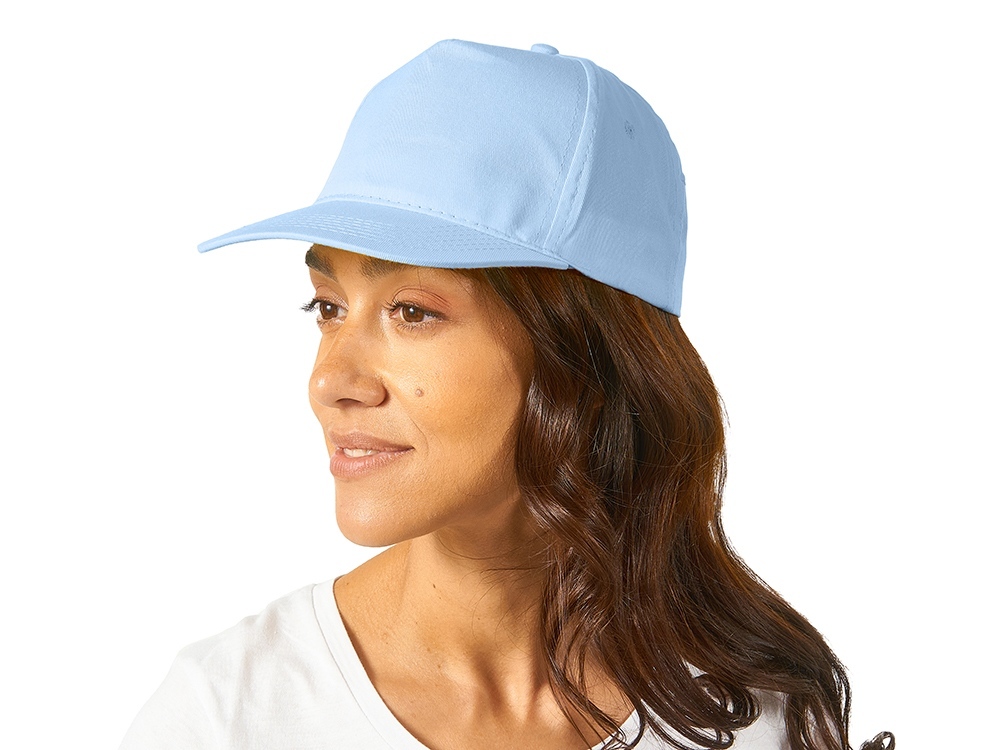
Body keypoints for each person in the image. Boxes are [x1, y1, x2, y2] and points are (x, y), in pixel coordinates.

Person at [119, 40, 893, 750]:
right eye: (328, 306)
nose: (330, 381)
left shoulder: (752, 717)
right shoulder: (226, 716)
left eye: (411, 312)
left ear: (583, 354)